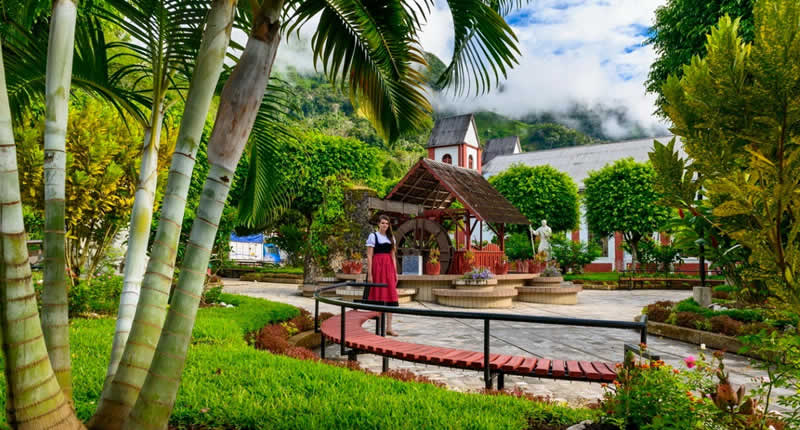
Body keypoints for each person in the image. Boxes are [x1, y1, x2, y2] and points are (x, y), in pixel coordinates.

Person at [365, 215, 399, 336]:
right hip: (377, 268)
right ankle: (378, 328)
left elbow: (393, 256)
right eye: (383, 223)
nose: (385, 225)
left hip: (389, 268)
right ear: (378, 224)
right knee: (379, 296)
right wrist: (370, 274)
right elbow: (369, 256)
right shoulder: (373, 236)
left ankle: (389, 327)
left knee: (391, 295)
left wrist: (395, 273)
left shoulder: (391, 238)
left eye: (387, 223)